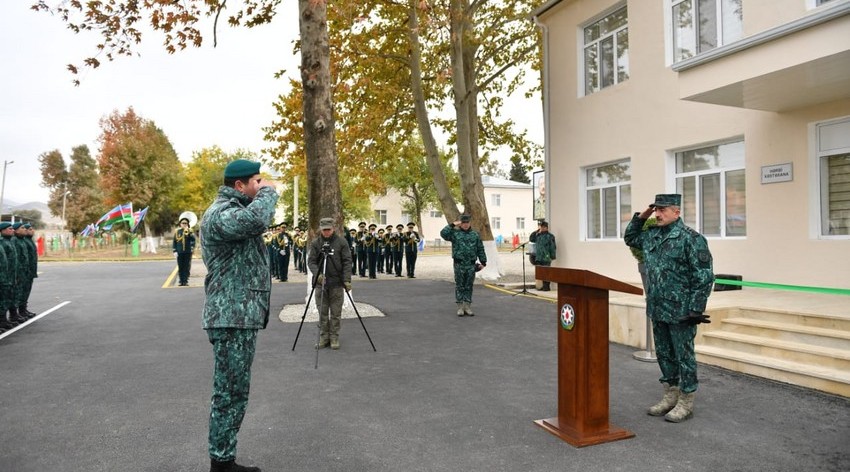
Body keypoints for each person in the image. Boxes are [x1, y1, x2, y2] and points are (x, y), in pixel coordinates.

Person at [200, 158, 278, 472]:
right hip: (230, 316)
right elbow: (256, 221)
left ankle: (224, 459)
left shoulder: (233, 210)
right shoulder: (221, 214)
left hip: (238, 315)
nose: (261, 186)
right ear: (239, 186)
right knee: (229, 392)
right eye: (257, 182)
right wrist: (269, 194)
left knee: (234, 391)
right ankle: (220, 463)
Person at [624, 193, 714, 423]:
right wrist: (642, 215)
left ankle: (686, 399)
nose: (658, 213)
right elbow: (630, 237)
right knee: (664, 354)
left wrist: (695, 310)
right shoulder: (651, 235)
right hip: (657, 307)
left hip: (681, 311)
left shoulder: (691, 239)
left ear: (677, 211)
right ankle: (670, 393)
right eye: (656, 209)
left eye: (663, 210)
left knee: (683, 355)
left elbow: (703, 276)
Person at [307, 217, 353, 350]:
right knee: (322, 312)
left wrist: (347, 280)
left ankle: (334, 337)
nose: (326, 232)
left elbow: (347, 262)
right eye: (324, 230)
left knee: (336, 313)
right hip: (321, 284)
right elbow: (311, 262)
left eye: (328, 229)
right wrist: (318, 275)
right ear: (320, 230)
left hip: (337, 283)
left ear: (333, 228)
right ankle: (323, 337)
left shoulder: (341, 242)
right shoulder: (316, 243)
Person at [440, 214, 487, 316]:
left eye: (467, 222)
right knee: (459, 285)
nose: (465, 225)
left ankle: (467, 306)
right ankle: (460, 307)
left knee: (469, 286)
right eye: (463, 223)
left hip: (471, 265)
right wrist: (453, 224)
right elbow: (443, 233)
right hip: (459, 264)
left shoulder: (475, 235)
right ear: (460, 224)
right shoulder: (454, 234)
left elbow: (480, 248)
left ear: (470, 223)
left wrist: (483, 262)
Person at [529, 220, 556, 291]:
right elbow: (531, 239)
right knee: (540, 273)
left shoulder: (550, 236)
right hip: (539, 257)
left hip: (546, 257)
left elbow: (553, 247)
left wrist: (552, 256)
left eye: (544, 227)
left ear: (547, 228)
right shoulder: (538, 235)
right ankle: (542, 286)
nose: (542, 228)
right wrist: (536, 231)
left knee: (546, 272)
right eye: (541, 227)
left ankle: (546, 287)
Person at [172, 217, 196, 286]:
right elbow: (174, 242)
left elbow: (193, 240)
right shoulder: (177, 232)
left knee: (186, 267)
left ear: (188, 224)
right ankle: (181, 280)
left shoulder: (190, 231)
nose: (184, 224)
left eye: (186, 223)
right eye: (183, 223)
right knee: (180, 266)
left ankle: (185, 281)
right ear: (180, 224)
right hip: (179, 252)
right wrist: (174, 250)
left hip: (187, 252)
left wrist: (189, 233)